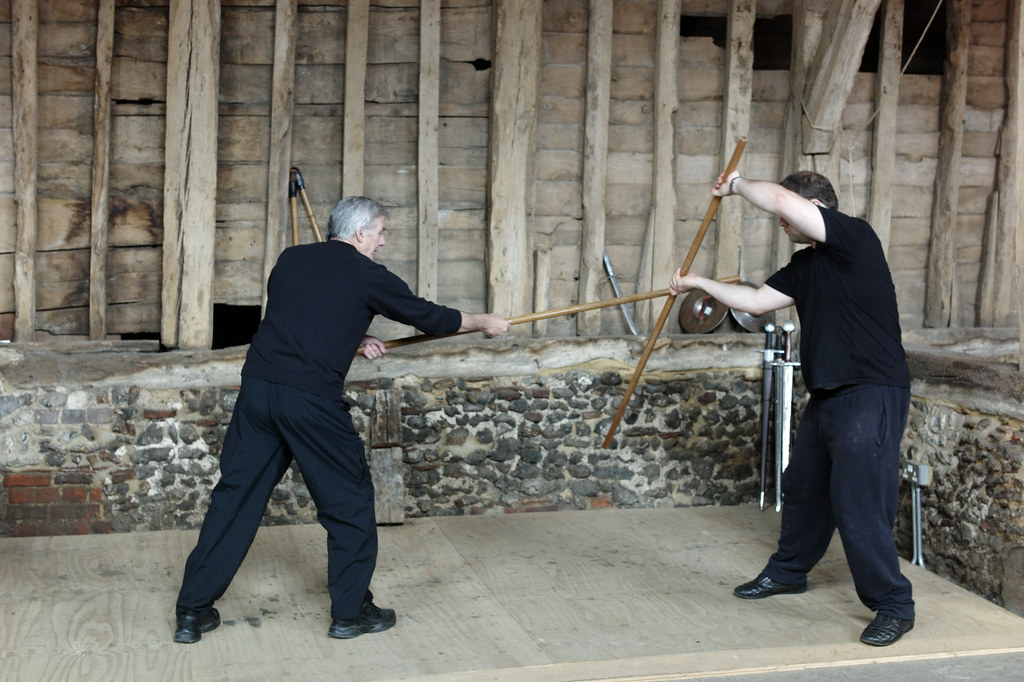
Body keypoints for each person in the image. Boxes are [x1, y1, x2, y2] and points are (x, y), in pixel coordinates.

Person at [173, 196, 511, 644]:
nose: (383, 242)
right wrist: (482, 321)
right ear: (359, 234)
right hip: (309, 402)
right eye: (379, 233)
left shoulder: (291, 259)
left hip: (257, 391)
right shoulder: (366, 273)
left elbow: (303, 316)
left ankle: (192, 613)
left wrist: (357, 331)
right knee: (348, 503)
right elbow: (428, 317)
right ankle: (352, 613)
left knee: (234, 498)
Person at [669, 170, 914, 647]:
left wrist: (736, 184)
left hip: (870, 390)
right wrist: (699, 282)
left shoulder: (853, 237)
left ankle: (893, 605)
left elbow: (779, 199)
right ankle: (788, 572)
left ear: (816, 208)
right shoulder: (806, 266)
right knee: (803, 490)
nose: (782, 222)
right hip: (827, 395)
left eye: (788, 214)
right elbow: (758, 302)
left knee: (858, 501)